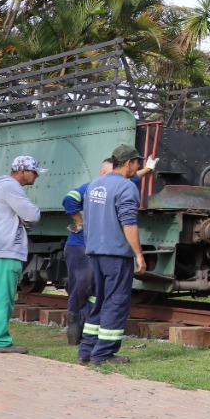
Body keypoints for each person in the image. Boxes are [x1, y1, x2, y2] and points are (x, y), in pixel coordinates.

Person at [77, 144, 146, 367]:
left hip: (94, 253)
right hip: (116, 256)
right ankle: (104, 354)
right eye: (138, 162)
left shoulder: (94, 185)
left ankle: (86, 351)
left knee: (97, 302)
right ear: (128, 163)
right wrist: (138, 254)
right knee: (115, 302)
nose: (139, 166)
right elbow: (129, 223)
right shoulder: (127, 188)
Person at [0, 156, 44, 353]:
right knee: (4, 297)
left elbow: (26, 217)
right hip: (7, 247)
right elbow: (32, 215)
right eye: (34, 171)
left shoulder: (5, 187)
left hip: (2, 247)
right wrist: (26, 217)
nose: (36, 176)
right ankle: (0, 342)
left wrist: (25, 218)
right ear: (22, 171)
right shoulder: (11, 188)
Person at [61, 160, 113, 345]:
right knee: (80, 287)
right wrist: (81, 222)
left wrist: (147, 170)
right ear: (103, 173)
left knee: (95, 288)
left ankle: (85, 331)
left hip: (97, 248)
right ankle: (74, 325)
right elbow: (69, 199)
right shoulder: (91, 187)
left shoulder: (114, 188)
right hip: (79, 246)